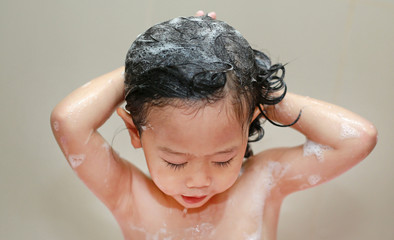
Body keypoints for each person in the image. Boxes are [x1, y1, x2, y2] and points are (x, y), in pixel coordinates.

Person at [50, 11, 377, 240]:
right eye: (175, 162)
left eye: (223, 160)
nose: (199, 181)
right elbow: (69, 121)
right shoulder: (130, 196)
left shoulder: (262, 183)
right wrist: (158, 63)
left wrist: (257, 89)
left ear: (249, 125)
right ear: (136, 132)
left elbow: (356, 139)